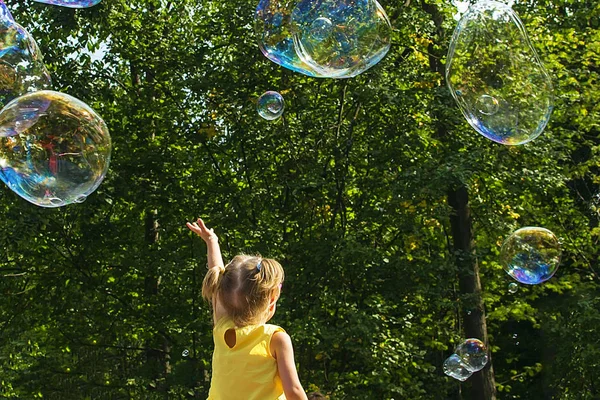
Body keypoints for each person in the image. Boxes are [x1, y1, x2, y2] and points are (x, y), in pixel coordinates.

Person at [187, 218, 308, 400]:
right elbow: (294, 392)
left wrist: (212, 242)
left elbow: (217, 278)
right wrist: (212, 242)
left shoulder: (222, 329)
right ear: (272, 299)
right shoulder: (275, 339)